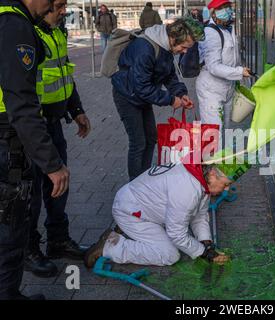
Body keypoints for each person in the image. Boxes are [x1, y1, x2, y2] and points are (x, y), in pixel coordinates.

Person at [0, 0, 70, 300]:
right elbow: (21, 103)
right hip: (8, 141)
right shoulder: (14, 26)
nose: (58, 6)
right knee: (10, 227)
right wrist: (52, 164)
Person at [84, 151, 250, 268]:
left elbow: (199, 215)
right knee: (169, 255)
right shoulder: (187, 190)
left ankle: (127, 230)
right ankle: (111, 246)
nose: (226, 190)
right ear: (213, 174)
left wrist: (206, 243)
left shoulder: (200, 175)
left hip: (139, 203)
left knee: (178, 236)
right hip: (130, 211)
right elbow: (176, 234)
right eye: (226, 184)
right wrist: (203, 253)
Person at [24, 0, 91, 278]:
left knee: (59, 184)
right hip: (31, 127)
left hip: (53, 122)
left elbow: (65, 73)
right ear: (45, 6)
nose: (65, 11)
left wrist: (76, 110)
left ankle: (58, 240)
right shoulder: (28, 34)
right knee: (31, 191)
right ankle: (28, 249)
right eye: (60, 6)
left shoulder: (57, 32)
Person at [111, 17, 203, 181]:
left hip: (141, 95)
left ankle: (144, 177)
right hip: (127, 95)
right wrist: (170, 99)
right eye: (183, 47)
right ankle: (135, 185)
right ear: (173, 38)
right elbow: (141, 86)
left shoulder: (166, 47)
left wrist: (181, 94)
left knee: (151, 137)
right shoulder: (145, 48)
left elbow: (169, 75)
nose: (185, 51)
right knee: (138, 142)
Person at [196, 0, 251, 135]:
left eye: (228, 6)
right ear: (213, 12)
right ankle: (210, 156)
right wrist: (239, 72)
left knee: (224, 132)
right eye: (222, 7)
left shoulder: (228, 29)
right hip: (211, 91)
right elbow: (213, 66)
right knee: (213, 134)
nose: (227, 10)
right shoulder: (210, 33)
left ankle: (221, 156)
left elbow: (231, 58)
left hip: (226, 89)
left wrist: (240, 70)